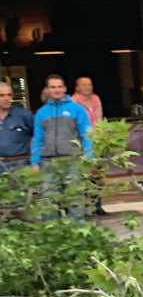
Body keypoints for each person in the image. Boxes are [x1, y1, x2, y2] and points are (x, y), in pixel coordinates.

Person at [30, 74, 93, 220]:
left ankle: (77, 235)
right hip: (48, 163)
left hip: (72, 161)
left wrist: (89, 157)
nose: (57, 90)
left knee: (75, 199)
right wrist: (35, 162)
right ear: (47, 90)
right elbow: (37, 139)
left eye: (59, 86)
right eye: (53, 87)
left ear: (65, 88)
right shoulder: (41, 112)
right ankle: (53, 237)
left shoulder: (77, 109)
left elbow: (87, 135)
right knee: (48, 200)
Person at [72, 75, 108, 215]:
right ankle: (83, 206)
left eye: (90, 84)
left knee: (97, 175)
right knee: (83, 175)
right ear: (77, 87)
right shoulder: (73, 101)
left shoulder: (95, 99)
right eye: (84, 84)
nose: (88, 87)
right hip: (81, 143)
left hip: (96, 142)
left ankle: (97, 205)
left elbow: (99, 119)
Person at [0, 82, 33, 176]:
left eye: (9, 95)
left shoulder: (24, 115)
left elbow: (38, 137)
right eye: (1, 95)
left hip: (21, 164)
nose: (6, 99)